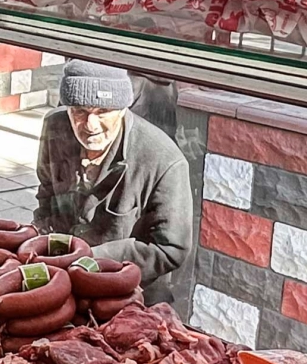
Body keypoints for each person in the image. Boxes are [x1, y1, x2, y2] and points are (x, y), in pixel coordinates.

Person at [33, 60, 194, 304]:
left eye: (103, 112)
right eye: (79, 111)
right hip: (59, 276)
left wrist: (88, 259)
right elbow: (46, 193)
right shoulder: (55, 127)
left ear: (122, 109)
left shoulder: (164, 159)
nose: (90, 125)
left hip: (128, 292)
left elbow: (171, 249)